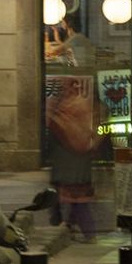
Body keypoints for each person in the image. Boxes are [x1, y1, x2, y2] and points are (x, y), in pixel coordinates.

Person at [44, 17, 102, 240]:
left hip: (70, 167)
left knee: (74, 201)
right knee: (75, 201)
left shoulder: (76, 39)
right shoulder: (81, 108)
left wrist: (51, 38)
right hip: (76, 166)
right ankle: (72, 228)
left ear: (68, 25)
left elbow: (54, 52)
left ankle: (81, 231)